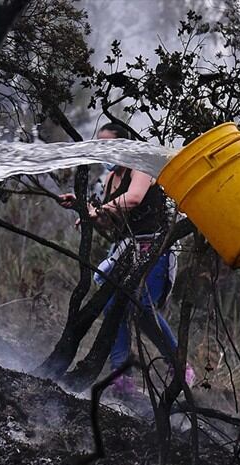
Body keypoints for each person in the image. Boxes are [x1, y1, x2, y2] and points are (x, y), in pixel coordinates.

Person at [59, 123, 195, 396]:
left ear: (124, 144)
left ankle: (179, 365)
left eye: (109, 144)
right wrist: (84, 209)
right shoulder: (110, 181)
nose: (105, 150)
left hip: (156, 248)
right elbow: (111, 224)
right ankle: (122, 376)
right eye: (101, 144)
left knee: (143, 307)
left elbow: (133, 199)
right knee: (113, 305)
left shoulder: (141, 166)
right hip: (126, 249)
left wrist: (96, 209)